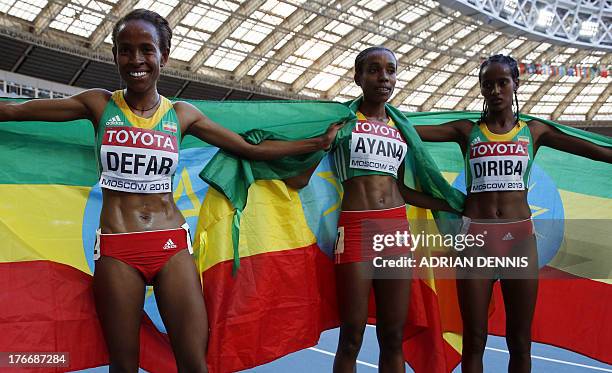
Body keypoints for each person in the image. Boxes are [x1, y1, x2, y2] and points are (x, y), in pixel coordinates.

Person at [0, 9, 341, 373]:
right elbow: (17, 111)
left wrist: (317, 142)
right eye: (125, 50)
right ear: (115, 54)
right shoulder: (98, 104)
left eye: (146, 49)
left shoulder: (182, 115)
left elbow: (249, 149)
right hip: (118, 249)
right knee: (124, 365)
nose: (136, 60)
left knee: (195, 363)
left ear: (163, 55)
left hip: (171, 247)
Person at [414, 54, 612, 373]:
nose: (495, 90)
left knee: (520, 341)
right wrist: (368, 119)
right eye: (488, 84)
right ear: (481, 89)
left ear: (515, 84)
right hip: (476, 242)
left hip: (519, 242)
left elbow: (597, 151)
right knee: (474, 341)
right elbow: (408, 133)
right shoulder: (466, 131)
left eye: (502, 82)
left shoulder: (534, 132)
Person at [285, 46, 459, 373]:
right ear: (358, 77)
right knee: (351, 336)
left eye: (390, 70)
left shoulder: (403, 129)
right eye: (374, 70)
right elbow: (298, 178)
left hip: (396, 232)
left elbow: (404, 189)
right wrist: (315, 146)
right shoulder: (342, 122)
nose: (383, 77)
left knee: (392, 336)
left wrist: (450, 203)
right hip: (355, 231)